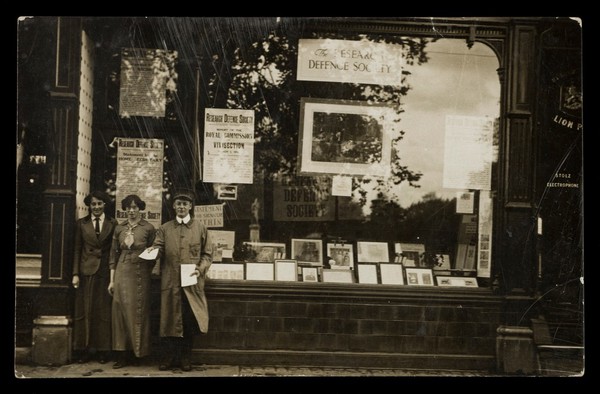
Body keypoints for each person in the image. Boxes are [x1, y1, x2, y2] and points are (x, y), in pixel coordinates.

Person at [144, 189, 213, 372]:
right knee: (168, 320)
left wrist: (201, 269)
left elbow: (207, 254)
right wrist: (150, 253)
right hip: (170, 282)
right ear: (174, 206)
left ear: (190, 206)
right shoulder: (165, 228)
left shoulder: (200, 228)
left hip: (191, 284)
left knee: (188, 321)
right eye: (178, 204)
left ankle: (185, 358)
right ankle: (168, 358)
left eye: (185, 204)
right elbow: (158, 247)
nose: (181, 207)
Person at [108, 194, 156, 369]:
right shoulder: (119, 229)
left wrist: (147, 271)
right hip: (121, 271)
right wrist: (111, 281)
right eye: (128, 207)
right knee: (119, 310)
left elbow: (154, 253)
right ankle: (121, 354)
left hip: (140, 273)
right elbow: (113, 255)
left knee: (138, 311)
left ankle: (139, 354)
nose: (131, 210)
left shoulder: (149, 228)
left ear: (140, 209)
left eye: (135, 207)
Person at [72, 191, 118, 364]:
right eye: (93, 204)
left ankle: (103, 350)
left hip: (106, 273)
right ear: (89, 206)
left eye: (99, 204)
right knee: (85, 310)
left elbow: (115, 250)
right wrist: (75, 274)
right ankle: (84, 349)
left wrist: (114, 274)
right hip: (86, 272)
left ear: (105, 205)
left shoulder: (113, 223)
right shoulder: (81, 224)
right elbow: (76, 249)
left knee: (103, 312)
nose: (96, 207)